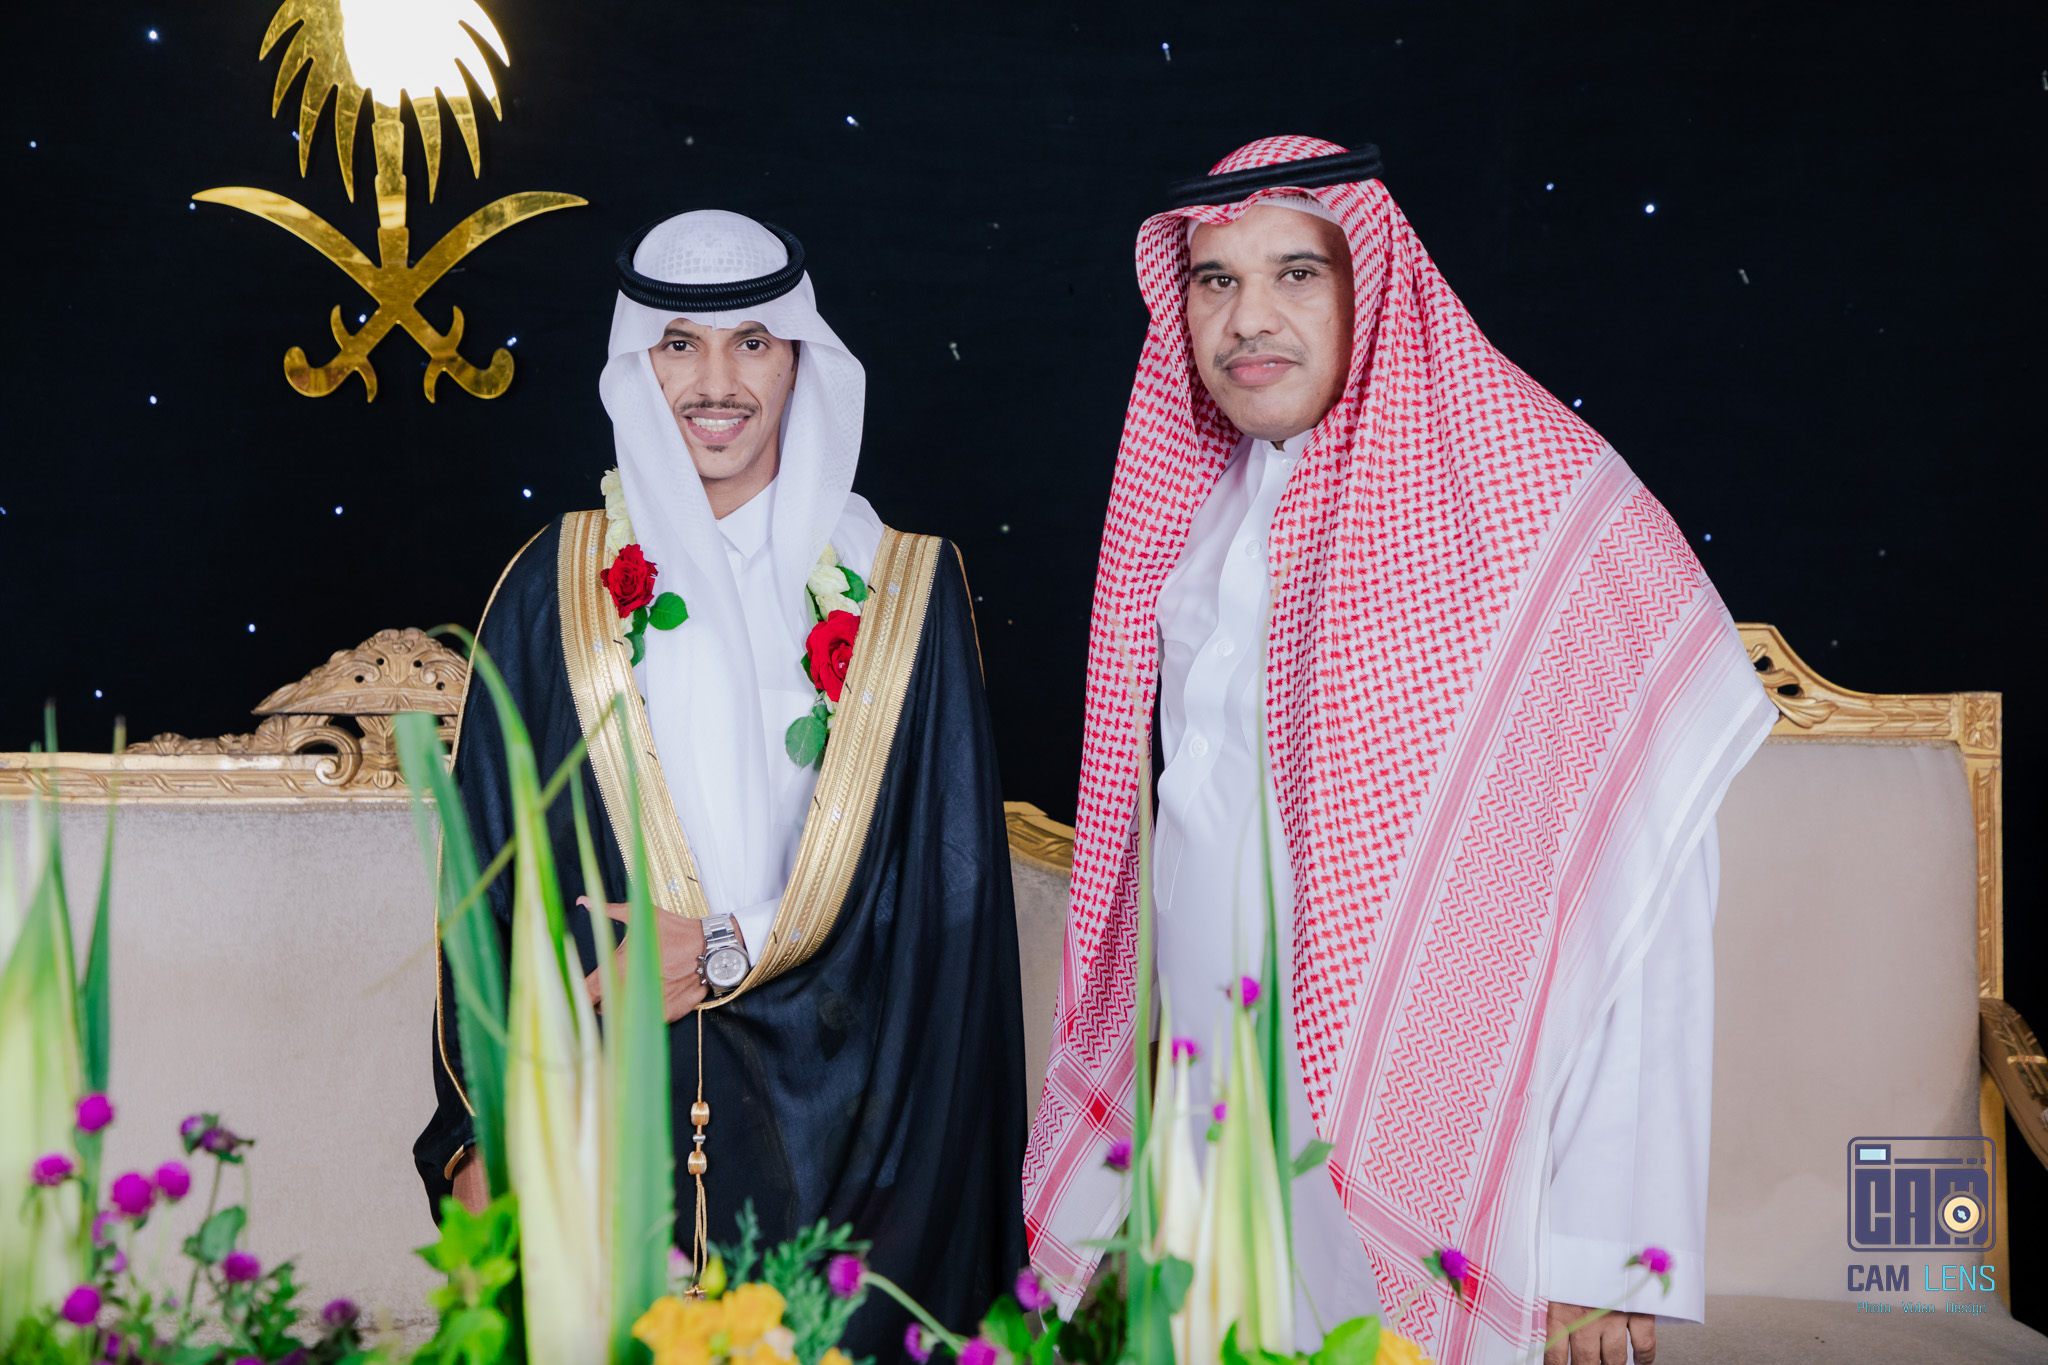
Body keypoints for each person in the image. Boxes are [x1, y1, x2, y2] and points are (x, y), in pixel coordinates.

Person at [1023, 138, 1777, 1365]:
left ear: (1370, 283)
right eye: (1213, 281)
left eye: (1294, 274)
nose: (1246, 319)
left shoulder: (1530, 500)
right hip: (1211, 1153)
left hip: (1437, 1160)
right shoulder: (1197, 509)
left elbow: (1645, 898)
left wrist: (1604, 1258)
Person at [413, 209, 1026, 1355]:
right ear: (636, 363)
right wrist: (481, 1130)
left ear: (799, 360)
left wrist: (728, 947)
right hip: (613, 1098)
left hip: (852, 1118)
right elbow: (485, 887)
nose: (715, 383)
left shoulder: (906, 591)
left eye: (751, 343)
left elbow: (948, 897)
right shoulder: (556, 589)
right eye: (678, 344)